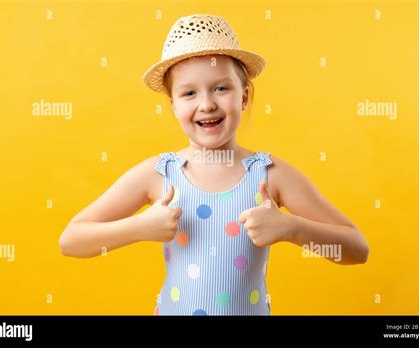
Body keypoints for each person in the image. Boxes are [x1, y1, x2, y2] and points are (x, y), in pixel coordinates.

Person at [59, 13, 369, 316]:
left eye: (221, 88)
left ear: (244, 96)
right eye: (189, 92)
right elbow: (71, 240)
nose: (206, 103)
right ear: (173, 105)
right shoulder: (159, 174)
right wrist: (139, 227)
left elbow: (358, 249)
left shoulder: (269, 174)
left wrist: (291, 228)